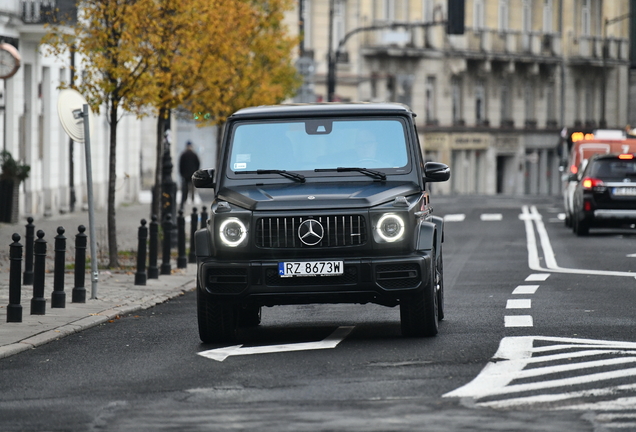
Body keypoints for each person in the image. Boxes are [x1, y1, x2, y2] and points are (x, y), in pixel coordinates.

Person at [179, 140, 200, 209]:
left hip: (185, 175)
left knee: (185, 191)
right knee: (192, 190)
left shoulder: (183, 155)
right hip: (192, 175)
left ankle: (183, 204)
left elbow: (180, 166)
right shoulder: (194, 155)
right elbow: (198, 164)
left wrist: (182, 174)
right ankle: (192, 203)